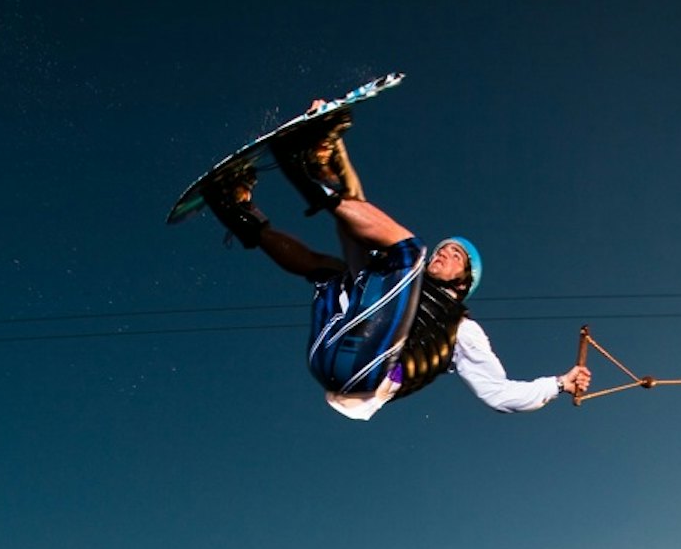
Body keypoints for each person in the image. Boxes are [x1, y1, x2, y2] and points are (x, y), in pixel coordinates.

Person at [199, 109, 591, 423]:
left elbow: (499, 393)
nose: (443, 254)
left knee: (409, 249)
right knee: (334, 270)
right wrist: (334, 153)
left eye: (455, 255)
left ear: (466, 281)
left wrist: (558, 383)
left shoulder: (463, 330)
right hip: (329, 353)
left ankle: (302, 169)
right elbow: (357, 218)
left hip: (365, 372)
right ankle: (237, 209)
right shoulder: (388, 287)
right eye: (445, 248)